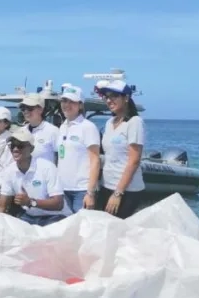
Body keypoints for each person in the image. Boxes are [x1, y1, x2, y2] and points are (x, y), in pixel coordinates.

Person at [0, 130, 71, 226]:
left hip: (54, 216)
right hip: (29, 217)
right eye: (12, 146)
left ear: (31, 149)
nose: (15, 149)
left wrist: (30, 202)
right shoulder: (9, 171)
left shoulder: (47, 167)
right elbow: (1, 206)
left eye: (20, 145)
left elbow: (59, 204)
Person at [96, 80, 145, 219]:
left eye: (114, 96)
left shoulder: (134, 122)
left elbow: (134, 161)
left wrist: (118, 193)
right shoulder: (109, 123)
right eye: (107, 97)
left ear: (126, 98)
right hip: (107, 185)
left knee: (117, 229)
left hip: (126, 191)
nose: (109, 100)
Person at [56, 85, 101, 212]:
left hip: (81, 191)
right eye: (64, 101)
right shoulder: (63, 126)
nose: (67, 105)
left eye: (72, 101)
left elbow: (95, 160)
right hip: (62, 189)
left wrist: (90, 193)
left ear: (80, 105)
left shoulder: (88, 127)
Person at [19, 93, 59, 164]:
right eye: (23, 108)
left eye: (29, 108)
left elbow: (61, 158)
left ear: (40, 109)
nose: (26, 111)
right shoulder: (20, 131)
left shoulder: (53, 131)